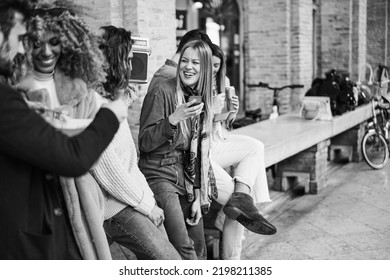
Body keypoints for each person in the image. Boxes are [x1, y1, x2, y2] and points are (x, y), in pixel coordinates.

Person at [0, 0, 127, 259]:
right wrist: (111, 115)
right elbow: (72, 157)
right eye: (29, 40)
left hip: (77, 202)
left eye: (54, 42)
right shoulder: (10, 94)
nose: (45, 51)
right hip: (34, 212)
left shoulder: (82, 91)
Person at [91, 25, 181, 260]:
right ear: (113, 60)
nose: (132, 67)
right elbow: (109, 170)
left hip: (131, 200)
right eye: (128, 60)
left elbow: (129, 162)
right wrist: (146, 205)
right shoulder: (93, 105)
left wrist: (149, 202)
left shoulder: (110, 102)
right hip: (115, 208)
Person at [139, 40, 214, 260]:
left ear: (205, 69)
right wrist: (173, 119)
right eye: (185, 61)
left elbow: (200, 153)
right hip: (159, 172)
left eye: (195, 63)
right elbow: (144, 143)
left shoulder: (200, 97)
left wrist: (198, 197)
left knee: (199, 247)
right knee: (185, 249)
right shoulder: (162, 91)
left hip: (185, 178)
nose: (188, 67)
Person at [209, 43, 276, 260]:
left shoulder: (224, 83)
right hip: (203, 146)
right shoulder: (194, 83)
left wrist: (231, 114)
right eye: (210, 65)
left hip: (220, 139)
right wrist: (212, 109)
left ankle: (232, 257)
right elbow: (194, 125)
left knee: (256, 146)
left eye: (218, 66)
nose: (214, 70)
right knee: (241, 203)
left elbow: (224, 126)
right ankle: (232, 261)